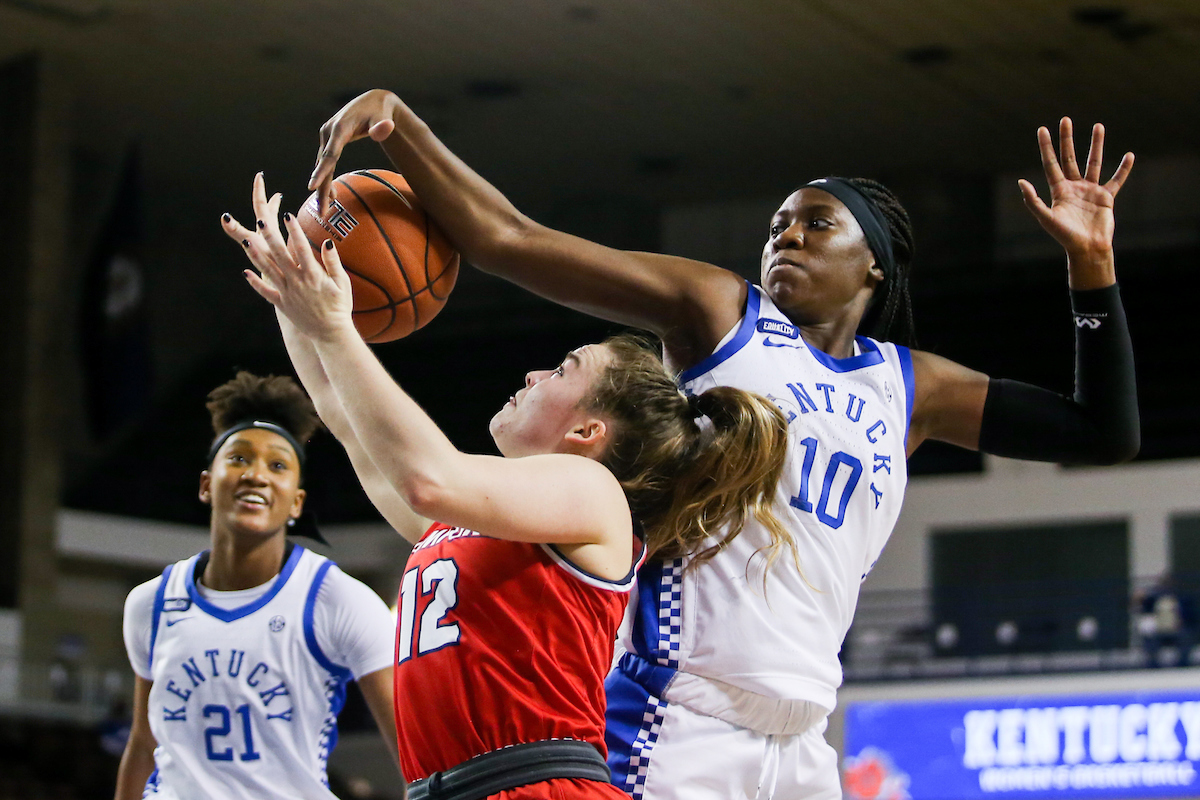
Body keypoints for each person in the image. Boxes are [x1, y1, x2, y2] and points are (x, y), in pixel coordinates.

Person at [305, 92, 1140, 799]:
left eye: (817, 222)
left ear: (876, 268)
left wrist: (1092, 265)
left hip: (806, 728)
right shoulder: (723, 312)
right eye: (778, 224)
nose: (787, 235)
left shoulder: (911, 386)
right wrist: (398, 127)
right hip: (679, 710)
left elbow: (1102, 434)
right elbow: (510, 240)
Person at [221, 174, 790, 800]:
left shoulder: (594, 494)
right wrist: (292, 293)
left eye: (564, 368)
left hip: (539, 785)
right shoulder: (476, 526)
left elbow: (425, 479)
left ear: (589, 430)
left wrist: (334, 327)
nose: (533, 371)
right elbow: (345, 415)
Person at [114, 371, 400, 800]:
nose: (257, 475)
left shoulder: (337, 599)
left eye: (278, 465)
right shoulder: (150, 603)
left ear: (296, 503)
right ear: (207, 484)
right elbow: (142, 742)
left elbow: (412, 747)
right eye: (239, 458)